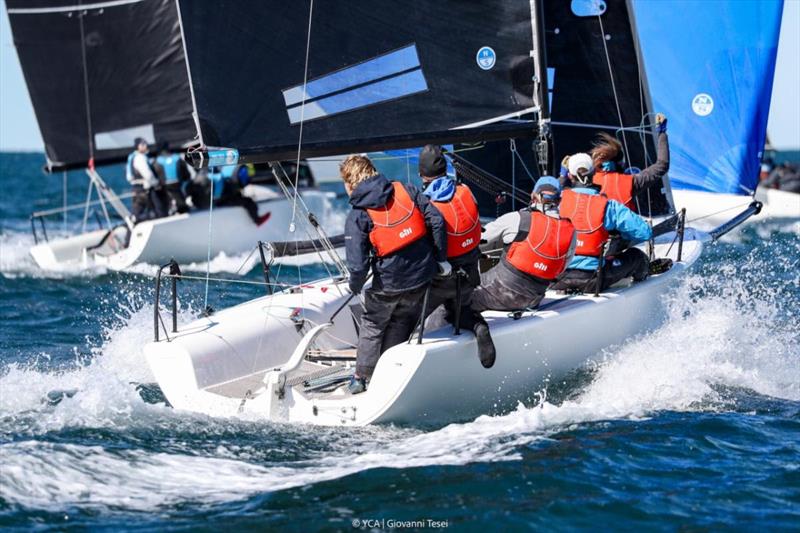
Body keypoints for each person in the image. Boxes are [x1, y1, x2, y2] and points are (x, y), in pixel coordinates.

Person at [341, 155, 448, 394]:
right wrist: (440, 260)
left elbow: (358, 267)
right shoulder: (405, 189)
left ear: (350, 182)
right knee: (401, 318)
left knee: (372, 323)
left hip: (390, 284)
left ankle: (361, 378)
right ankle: (390, 371)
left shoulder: (358, 215)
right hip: (422, 275)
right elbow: (437, 221)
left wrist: (355, 286)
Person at [418, 145, 496, 369]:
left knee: (406, 318)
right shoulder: (465, 191)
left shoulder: (425, 203)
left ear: (421, 175)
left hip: (440, 278)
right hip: (470, 273)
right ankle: (478, 325)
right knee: (459, 311)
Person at [472, 176, 576, 313]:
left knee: (453, 295)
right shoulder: (570, 231)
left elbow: (479, 239)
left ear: (533, 196)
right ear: (559, 201)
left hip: (497, 293)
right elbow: (562, 267)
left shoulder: (517, 218)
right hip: (533, 299)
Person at [552, 153, 653, 293]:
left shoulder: (557, 203)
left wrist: (561, 178)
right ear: (594, 173)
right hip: (593, 279)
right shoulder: (608, 206)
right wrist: (621, 233)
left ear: (570, 175)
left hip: (556, 278)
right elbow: (645, 232)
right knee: (636, 256)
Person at [589, 113, 670, 212]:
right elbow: (662, 165)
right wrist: (662, 132)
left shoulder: (587, 182)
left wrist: (564, 175)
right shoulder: (630, 182)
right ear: (620, 164)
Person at [126, 138, 167, 221]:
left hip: (136, 189)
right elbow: (148, 175)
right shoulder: (140, 158)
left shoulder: (132, 157)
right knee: (159, 210)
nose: (146, 146)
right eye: (142, 144)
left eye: (145, 143)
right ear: (137, 147)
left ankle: (133, 221)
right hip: (145, 189)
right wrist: (157, 183)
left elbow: (129, 177)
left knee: (138, 211)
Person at [154, 143, 191, 214]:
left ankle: (171, 209)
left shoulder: (157, 161)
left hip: (165, 185)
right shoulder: (177, 158)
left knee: (166, 196)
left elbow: (156, 173)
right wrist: (186, 178)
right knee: (179, 195)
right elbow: (185, 172)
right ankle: (182, 208)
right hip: (178, 183)